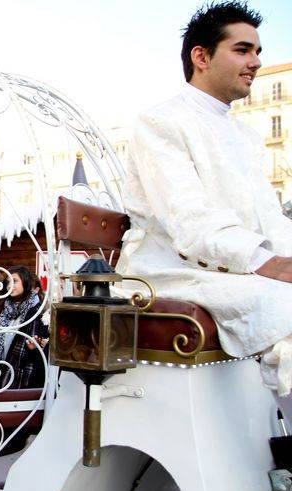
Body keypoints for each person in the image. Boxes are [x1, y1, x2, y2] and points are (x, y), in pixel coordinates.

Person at [116, 1, 292, 420]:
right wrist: (267, 262)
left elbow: (271, 220)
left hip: (234, 269)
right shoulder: (160, 122)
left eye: (257, 51)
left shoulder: (246, 137)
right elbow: (188, 220)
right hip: (169, 268)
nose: (255, 62)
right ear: (201, 56)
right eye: (242, 50)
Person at [0, 266, 41, 390]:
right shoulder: (4, 309)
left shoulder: (36, 310)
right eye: (8, 282)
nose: (10, 285)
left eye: (14, 281)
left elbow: (39, 345)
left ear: (25, 282)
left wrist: (34, 348)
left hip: (22, 376)